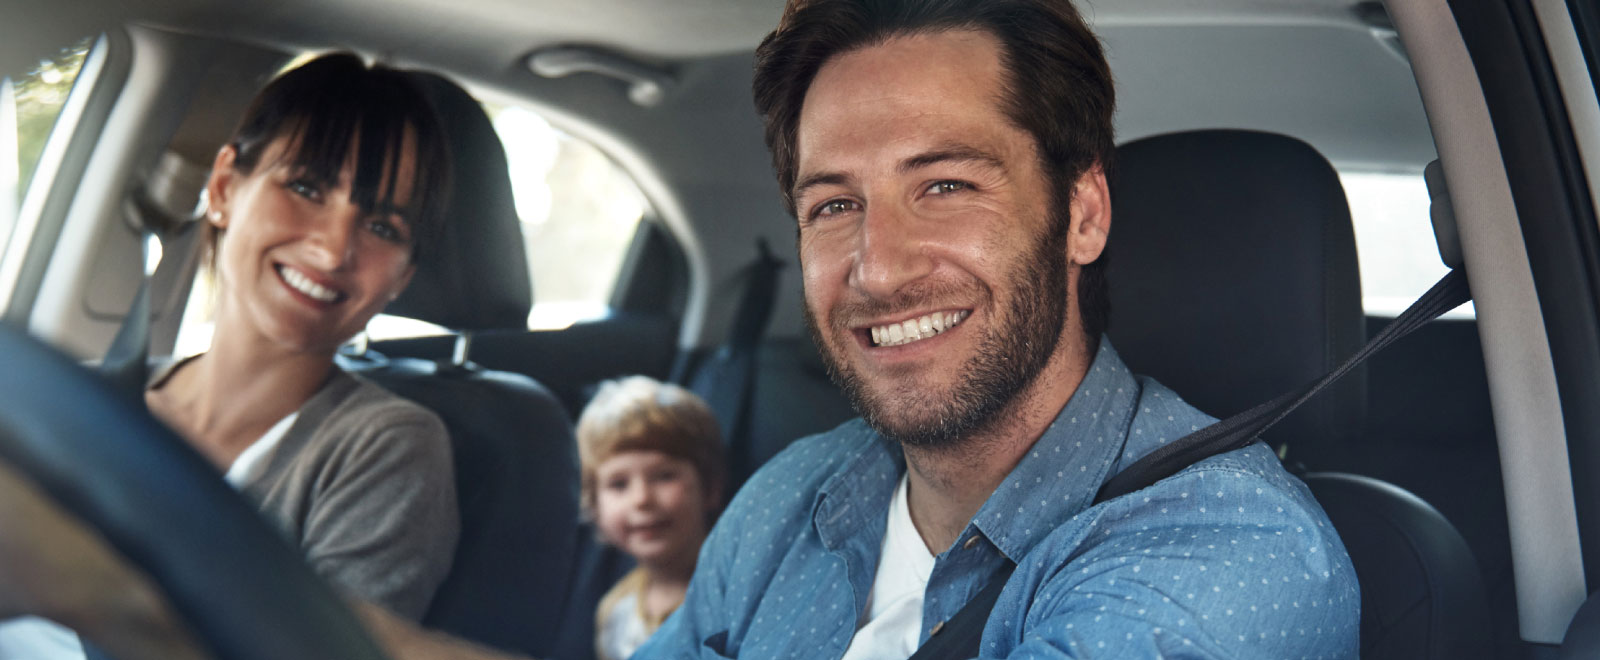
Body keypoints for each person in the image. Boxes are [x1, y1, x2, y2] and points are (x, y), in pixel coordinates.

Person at [630, 0, 1360, 657]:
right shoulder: (788, 500)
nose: (878, 270)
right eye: (833, 206)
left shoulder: (1231, 557)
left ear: (1083, 215)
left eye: (946, 186)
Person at [0, 52, 460, 659]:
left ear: (403, 276)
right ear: (222, 189)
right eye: (305, 187)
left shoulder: (384, 448)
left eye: (383, 227)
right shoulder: (86, 415)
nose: (332, 250)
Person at [577, 376, 724, 660]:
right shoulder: (615, 610)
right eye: (619, 484)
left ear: (710, 487)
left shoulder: (731, 593)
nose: (641, 499)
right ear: (595, 507)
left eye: (664, 476)